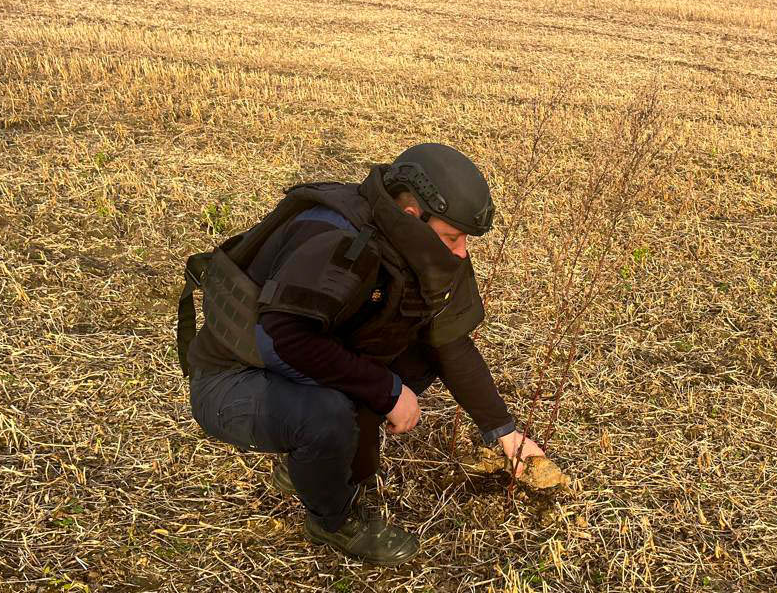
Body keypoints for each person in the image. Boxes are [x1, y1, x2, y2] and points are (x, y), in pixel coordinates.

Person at [179, 143, 547, 566]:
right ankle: (332, 519)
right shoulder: (337, 239)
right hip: (232, 377)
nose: (461, 251)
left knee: (415, 357)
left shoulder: (417, 248)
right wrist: (387, 391)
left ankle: (311, 467)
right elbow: (284, 339)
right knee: (328, 413)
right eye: (452, 237)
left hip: (296, 360)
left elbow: (448, 342)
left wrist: (502, 431)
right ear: (413, 218)